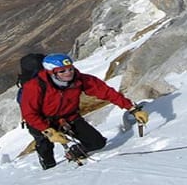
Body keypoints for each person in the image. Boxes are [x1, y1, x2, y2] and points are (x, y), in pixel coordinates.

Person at [20, 53, 149, 169]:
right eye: (62, 71)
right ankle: (49, 169)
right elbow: (30, 113)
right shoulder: (34, 86)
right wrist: (49, 131)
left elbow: (106, 92)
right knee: (45, 146)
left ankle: (75, 153)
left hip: (68, 117)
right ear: (51, 72)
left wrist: (131, 108)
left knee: (97, 142)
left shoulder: (79, 79)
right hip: (41, 121)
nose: (68, 73)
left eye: (70, 68)